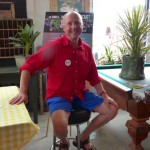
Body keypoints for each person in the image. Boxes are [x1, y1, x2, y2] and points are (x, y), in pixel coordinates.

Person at [9, 11, 118, 150]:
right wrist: (23, 92)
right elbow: (28, 66)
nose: (74, 26)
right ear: (63, 27)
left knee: (112, 109)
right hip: (58, 95)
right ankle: (64, 141)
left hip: (80, 94)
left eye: (77, 23)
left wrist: (104, 95)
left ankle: (82, 138)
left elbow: (94, 77)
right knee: (60, 126)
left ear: (82, 26)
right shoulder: (53, 47)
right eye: (69, 23)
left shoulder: (86, 50)